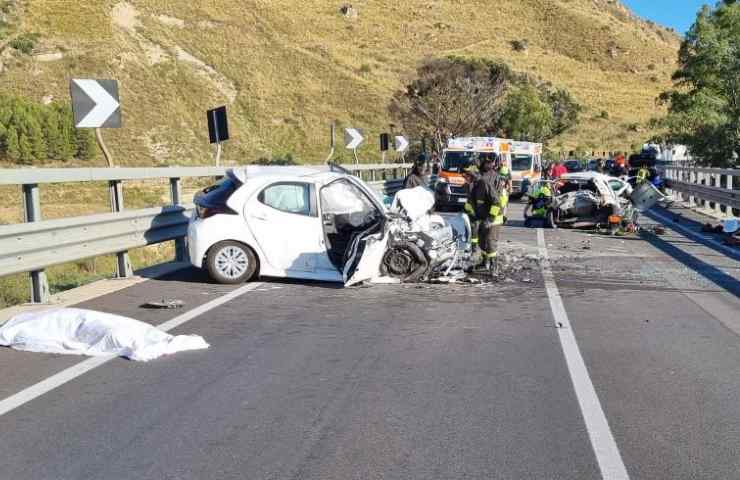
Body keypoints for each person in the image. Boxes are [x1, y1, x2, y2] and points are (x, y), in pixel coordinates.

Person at [465, 155, 506, 272]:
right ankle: (485, 262)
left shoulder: (488, 181)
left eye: (467, 176)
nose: (465, 178)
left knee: (490, 241)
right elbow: (471, 202)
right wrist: (470, 214)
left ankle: (494, 266)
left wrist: (491, 218)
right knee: (482, 241)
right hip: (483, 216)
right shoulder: (475, 183)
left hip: (494, 217)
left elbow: (497, 201)